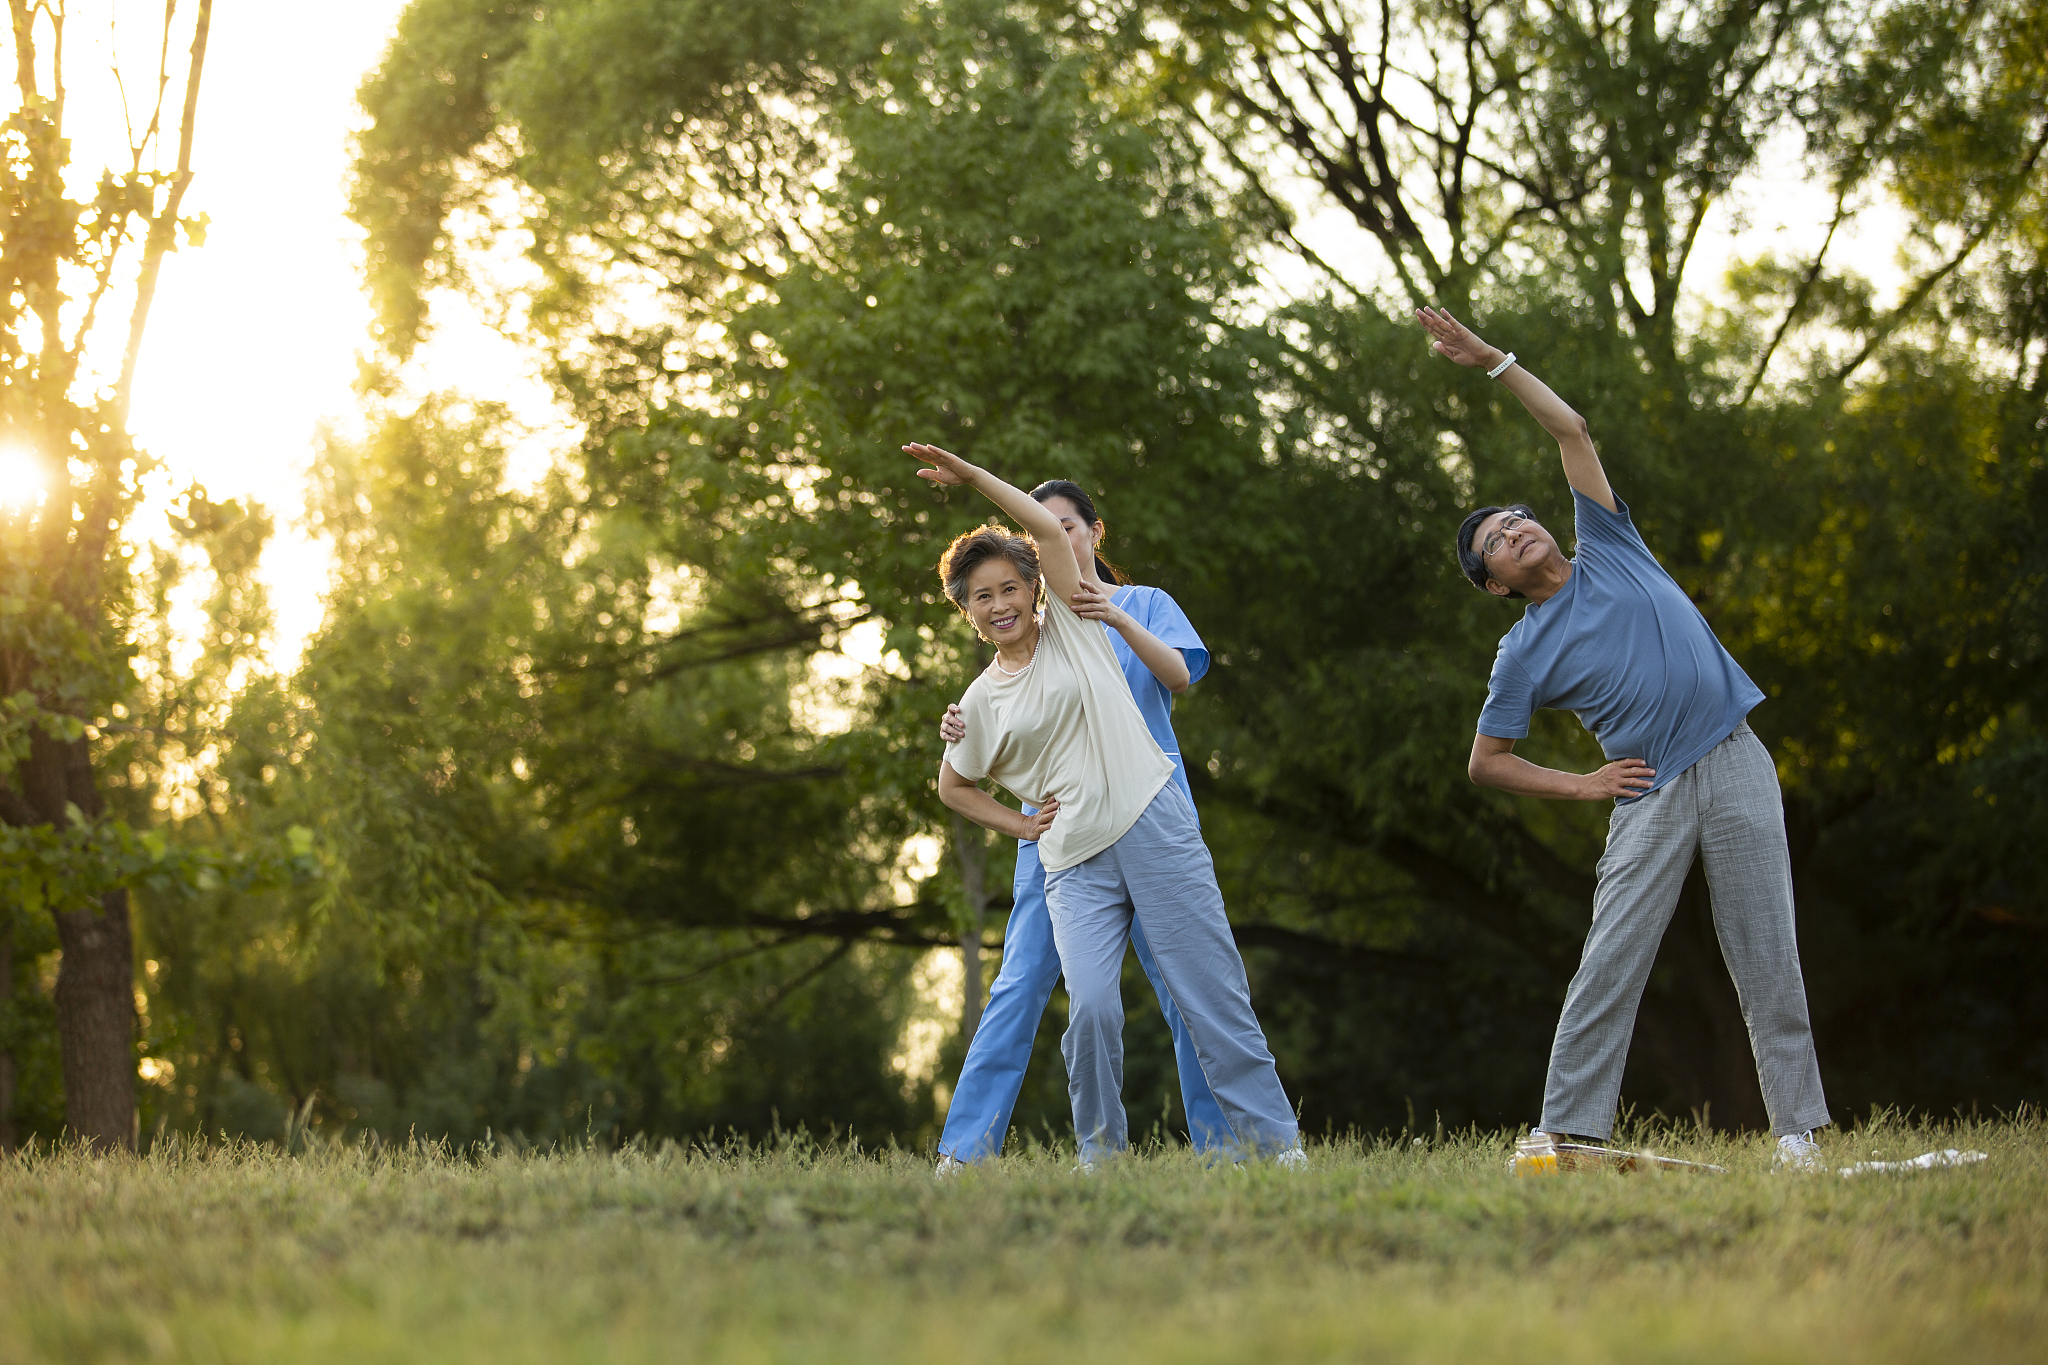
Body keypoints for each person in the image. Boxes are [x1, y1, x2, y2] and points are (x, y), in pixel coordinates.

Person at [1417, 305, 1831, 1170]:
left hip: (1734, 755)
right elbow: (1484, 762)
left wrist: (1492, 359)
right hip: (1646, 789)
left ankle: (1797, 1134)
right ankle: (1567, 1131)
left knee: (1767, 949)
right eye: (1495, 540)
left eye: (1515, 518)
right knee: (1611, 960)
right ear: (1493, 584)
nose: (1515, 529)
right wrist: (1581, 784)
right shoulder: (1520, 651)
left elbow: (1569, 427)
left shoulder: (1609, 542)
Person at [905, 441, 1301, 1169]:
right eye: (981, 595)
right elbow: (953, 782)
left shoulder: (1089, 616)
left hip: (1152, 813)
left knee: (1204, 995)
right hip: (1066, 851)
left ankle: (1260, 1149)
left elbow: (1178, 673)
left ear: (1043, 578)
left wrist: (971, 477)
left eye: (1010, 586)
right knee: (1075, 1004)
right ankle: (1088, 1158)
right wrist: (1019, 819)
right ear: (967, 610)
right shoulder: (982, 693)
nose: (999, 602)